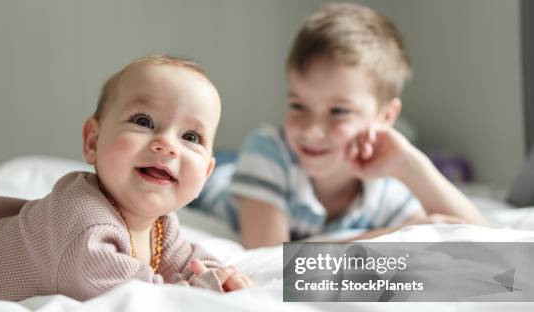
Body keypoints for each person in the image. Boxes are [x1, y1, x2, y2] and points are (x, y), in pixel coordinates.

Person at [0, 55, 255, 301]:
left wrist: (224, 275)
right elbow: (139, 299)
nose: (167, 144)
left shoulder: (160, 226)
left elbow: (187, 260)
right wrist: (201, 290)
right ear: (92, 141)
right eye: (143, 120)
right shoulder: (83, 222)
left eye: (191, 138)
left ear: (207, 173)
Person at [191, 2, 486, 249]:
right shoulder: (267, 152)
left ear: (385, 117)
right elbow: (271, 254)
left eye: (338, 111)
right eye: (298, 106)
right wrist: (389, 235)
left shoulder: (384, 186)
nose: (311, 130)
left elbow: (489, 238)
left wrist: (412, 164)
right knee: (194, 164)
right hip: (222, 178)